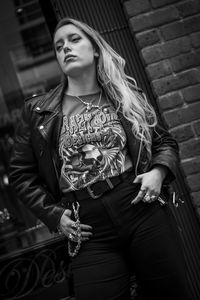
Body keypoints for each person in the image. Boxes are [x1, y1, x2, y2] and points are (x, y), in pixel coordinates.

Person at [9, 18, 192, 300]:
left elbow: (164, 143)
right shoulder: (37, 112)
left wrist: (158, 172)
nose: (65, 49)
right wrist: (54, 215)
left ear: (95, 49)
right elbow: (21, 175)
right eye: (59, 46)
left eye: (74, 40)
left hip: (139, 207)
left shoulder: (125, 96)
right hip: (88, 227)